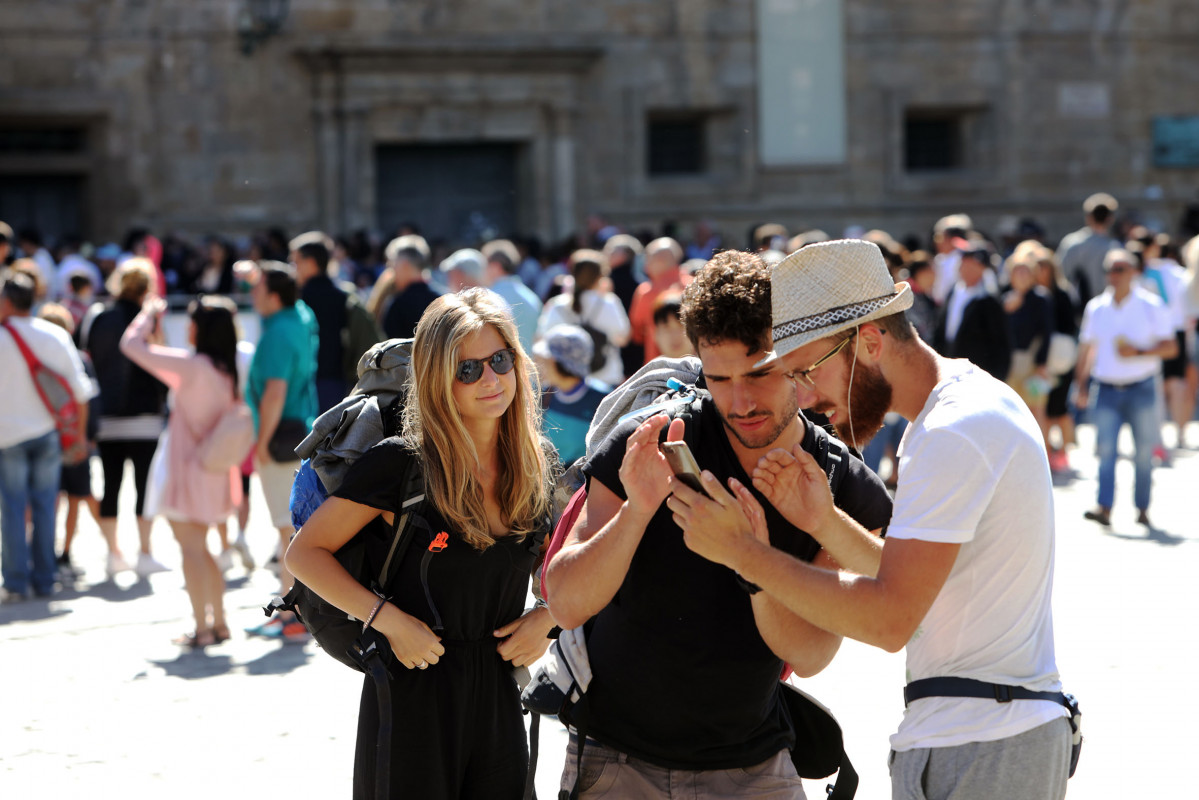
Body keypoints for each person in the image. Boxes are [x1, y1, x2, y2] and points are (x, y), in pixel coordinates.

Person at [675, 239, 1073, 800]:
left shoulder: (953, 430)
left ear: (869, 341)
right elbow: (917, 582)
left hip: (987, 738)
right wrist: (826, 522)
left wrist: (744, 552)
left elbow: (891, 619)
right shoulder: (955, 411)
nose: (806, 397)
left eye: (809, 371)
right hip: (982, 730)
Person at [545, 250, 892, 799]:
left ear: (797, 361)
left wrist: (750, 558)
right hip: (615, 758)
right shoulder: (650, 442)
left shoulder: (837, 483)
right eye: (719, 378)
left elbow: (811, 655)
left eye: (760, 373)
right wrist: (638, 509)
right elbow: (565, 601)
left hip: (754, 765)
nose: (740, 400)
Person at [286, 289, 557, 799]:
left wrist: (550, 617)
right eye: (468, 369)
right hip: (410, 687)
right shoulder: (402, 462)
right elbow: (303, 554)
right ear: (438, 379)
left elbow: (563, 562)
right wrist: (386, 619)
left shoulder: (534, 459)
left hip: (500, 694)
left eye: (500, 360)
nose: (492, 379)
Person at [120, 295, 244, 646]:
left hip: (187, 471)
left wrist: (147, 314)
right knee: (201, 550)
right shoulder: (225, 369)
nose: (187, 327)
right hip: (214, 471)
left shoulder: (193, 367)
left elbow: (130, 345)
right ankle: (218, 623)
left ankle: (203, 628)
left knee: (191, 551)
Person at [0, 274, 96, 601]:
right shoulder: (54, 335)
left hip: (7, 436)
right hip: (47, 432)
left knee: (12, 509)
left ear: (7, 302)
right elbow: (81, 392)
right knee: (45, 507)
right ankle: (45, 578)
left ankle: (15, 582)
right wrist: (80, 436)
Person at [80, 258, 171, 578]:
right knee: (145, 486)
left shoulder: (98, 317)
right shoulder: (149, 321)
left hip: (107, 415)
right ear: (147, 287)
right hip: (145, 414)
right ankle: (144, 553)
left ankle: (113, 554)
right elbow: (162, 365)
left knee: (112, 484)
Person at [1075, 249, 1177, 528]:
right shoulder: (1097, 307)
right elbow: (1087, 348)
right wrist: (1080, 384)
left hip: (1141, 388)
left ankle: (1142, 507)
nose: (1114, 275)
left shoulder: (1151, 305)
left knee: (1144, 452)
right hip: (1106, 388)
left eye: (1120, 269)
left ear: (1133, 272)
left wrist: (1139, 351)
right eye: (1110, 269)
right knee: (1105, 451)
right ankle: (1104, 507)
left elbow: (1170, 347)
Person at [246, 262, 318, 638]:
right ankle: (291, 611)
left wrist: (259, 444)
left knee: (288, 535)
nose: (251, 293)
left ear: (274, 296)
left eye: (257, 288)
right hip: (299, 430)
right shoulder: (300, 317)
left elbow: (274, 392)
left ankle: (293, 615)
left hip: (279, 439)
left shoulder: (278, 331)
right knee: (291, 532)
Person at [35, 303, 101, 582]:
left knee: (47, 500)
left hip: (43, 436)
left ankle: (44, 555)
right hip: (73, 437)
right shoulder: (79, 358)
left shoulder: (32, 359)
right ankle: (64, 553)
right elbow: (90, 399)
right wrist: (89, 436)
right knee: (74, 498)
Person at [290, 232, 382, 413]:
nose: (293, 268)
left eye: (296, 262)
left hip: (301, 384)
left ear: (310, 263)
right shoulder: (344, 297)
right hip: (337, 383)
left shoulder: (296, 299)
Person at [536, 249, 630, 388]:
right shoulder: (610, 303)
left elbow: (541, 340)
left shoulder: (556, 305)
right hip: (606, 379)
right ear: (600, 277)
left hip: (566, 384)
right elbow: (623, 339)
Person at [531, 324, 610, 469]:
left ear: (559, 362)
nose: (538, 365)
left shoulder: (603, 400)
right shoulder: (541, 394)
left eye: (545, 359)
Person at [933, 240, 1012, 381]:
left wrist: (997, 378)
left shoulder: (988, 300)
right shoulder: (953, 292)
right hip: (949, 368)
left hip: (977, 373)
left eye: (973, 265)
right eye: (964, 263)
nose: (966, 268)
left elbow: (1000, 344)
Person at [1001, 248, 1055, 444]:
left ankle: (1042, 452)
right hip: (1008, 362)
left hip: (1032, 361)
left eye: (1026, 271)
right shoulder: (1004, 298)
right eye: (1018, 271)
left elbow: (1047, 333)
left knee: (1036, 409)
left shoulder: (1041, 298)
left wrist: (1042, 363)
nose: (1022, 275)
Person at [627, 237, 689, 366]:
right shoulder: (697, 286)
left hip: (658, 368)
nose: (645, 266)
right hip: (697, 366)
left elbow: (636, 333)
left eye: (648, 260)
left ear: (660, 260)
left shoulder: (646, 292)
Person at [369, 234, 442, 340]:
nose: (391, 272)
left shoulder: (397, 305)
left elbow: (390, 351)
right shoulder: (442, 299)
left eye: (393, 266)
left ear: (405, 265)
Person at [1057, 192, 1121, 307]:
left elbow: (1060, 275)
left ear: (1089, 217)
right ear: (1110, 219)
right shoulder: (1115, 248)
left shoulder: (1071, 243)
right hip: (1107, 308)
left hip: (1074, 309)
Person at [483, 238, 542, 353]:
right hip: (529, 367)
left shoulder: (488, 298)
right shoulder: (532, 297)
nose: (483, 271)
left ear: (496, 266)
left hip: (501, 368)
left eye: (485, 265)